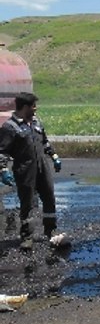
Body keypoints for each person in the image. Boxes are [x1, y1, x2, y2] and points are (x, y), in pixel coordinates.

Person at [0, 92, 65, 250]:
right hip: (25, 169)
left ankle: (51, 230)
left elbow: (45, 142)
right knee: (27, 203)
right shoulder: (10, 127)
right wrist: (3, 170)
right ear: (24, 107)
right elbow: (2, 151)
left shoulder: (36, 122)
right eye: (33, 106)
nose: (36, 109)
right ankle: (26, 236)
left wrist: (54, 156)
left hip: (43, 166)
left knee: (49, 198)